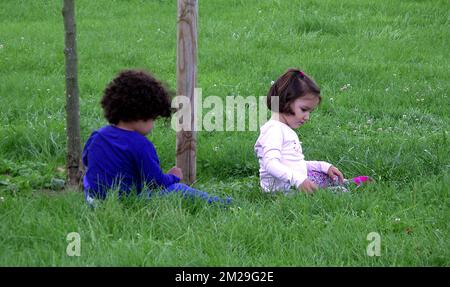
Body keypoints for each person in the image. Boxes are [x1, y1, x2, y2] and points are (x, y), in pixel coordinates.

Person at [82, 69, 230, 205]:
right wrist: (173, 176)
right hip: (125, 201)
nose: (153, 123)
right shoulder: (140, 145)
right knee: (178, 189)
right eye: (153, 118)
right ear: (143, 114)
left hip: (93, 199)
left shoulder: (97, 135)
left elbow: (86, 160)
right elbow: (155, 182)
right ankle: (221, 203)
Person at [254, 68, 369, 194]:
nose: (307, 117)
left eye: (310, 112)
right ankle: (334, 190)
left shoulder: (283, 129)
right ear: (285, 100)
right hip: (281, 191)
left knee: (319, 175)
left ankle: (342, 182)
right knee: (326, 192)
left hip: (292, 183)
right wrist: (298, 180)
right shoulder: (273, 130)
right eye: (304, 110)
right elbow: (270, 164)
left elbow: (294, 164)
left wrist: (323, 166)